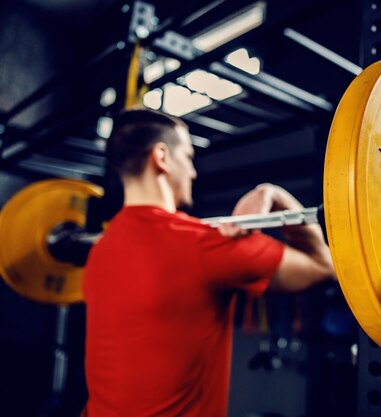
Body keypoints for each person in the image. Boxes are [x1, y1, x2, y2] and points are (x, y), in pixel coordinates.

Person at [82, 108, 336, 417]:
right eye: (188, 157)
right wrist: (275, 195)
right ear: (161, 157)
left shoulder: (99, 251)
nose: (193, 172)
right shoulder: (203, 244)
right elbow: (324, 267)